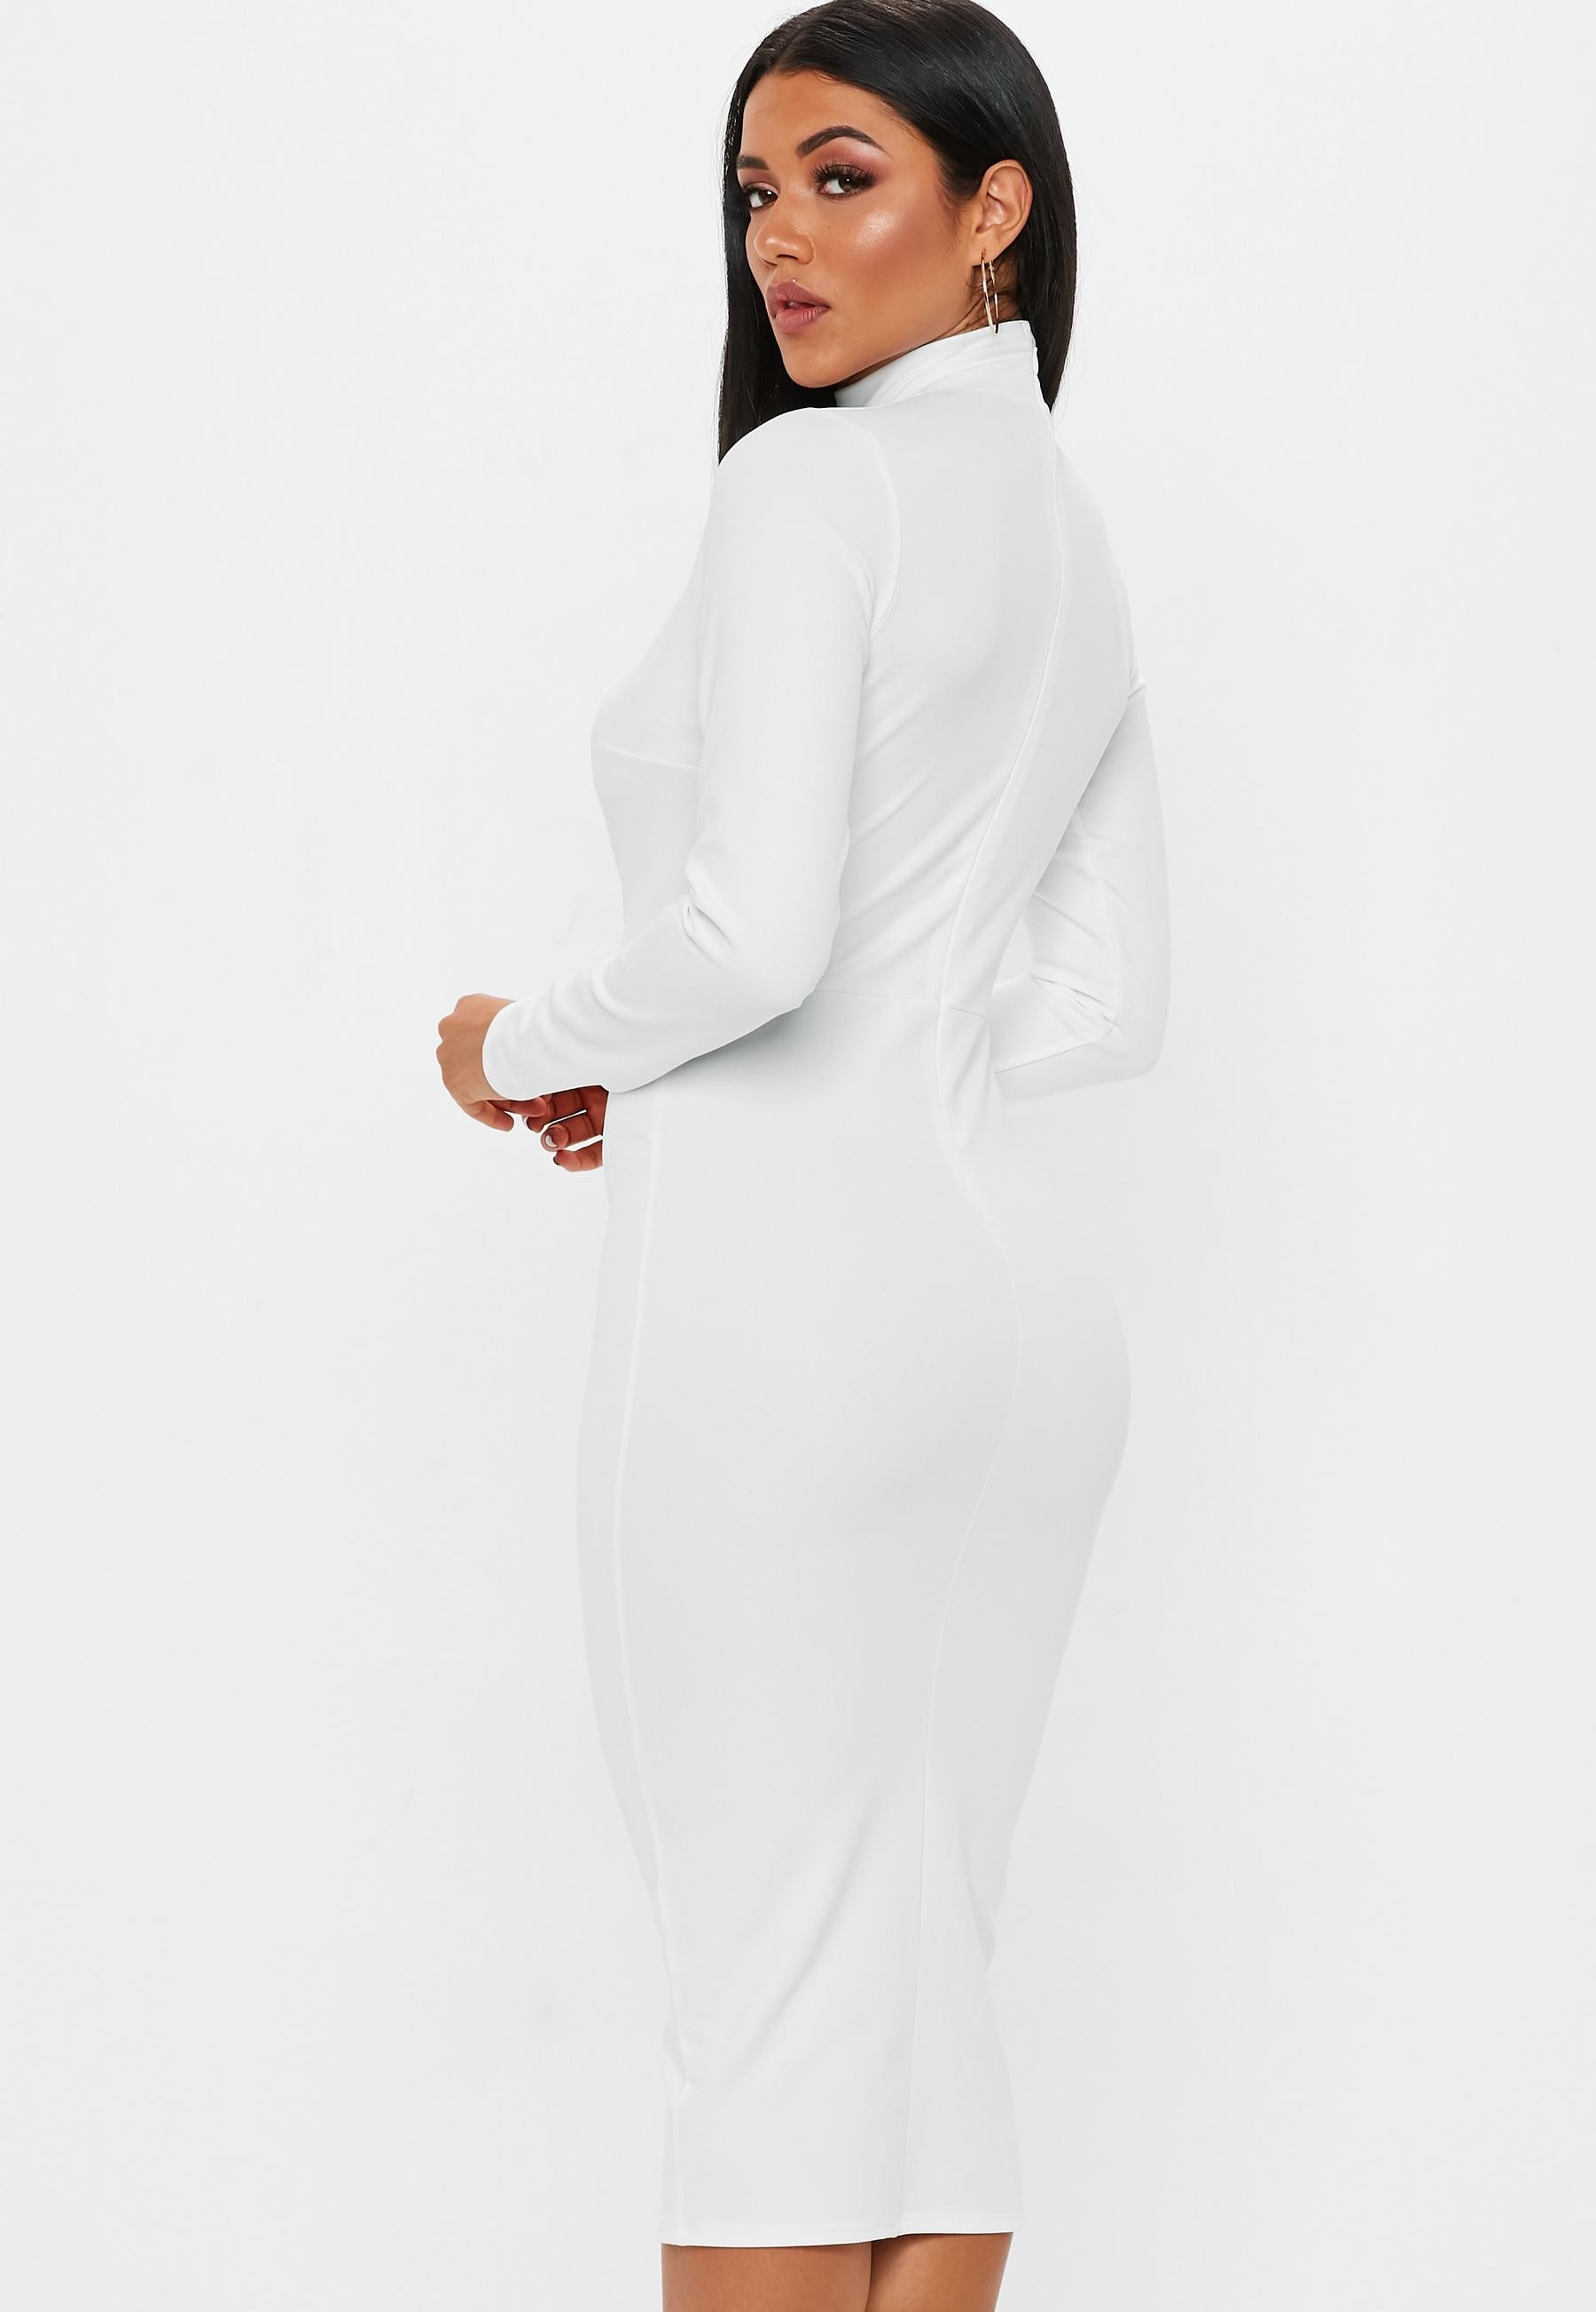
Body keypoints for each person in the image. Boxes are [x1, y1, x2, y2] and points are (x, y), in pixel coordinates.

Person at [436, 4, 1170, 2306]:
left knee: (766, 2010)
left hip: (786, 1338)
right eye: (756, 191)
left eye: (843, 176)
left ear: (995, 206)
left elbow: (752, 939)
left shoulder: (811, 487)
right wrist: (765, 1056)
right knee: (919, 2002)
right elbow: (1099, 1003)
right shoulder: (1068, 532)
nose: (781, 237)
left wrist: (518, 1046)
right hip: (1021, 1335)